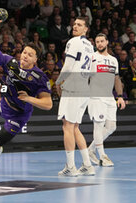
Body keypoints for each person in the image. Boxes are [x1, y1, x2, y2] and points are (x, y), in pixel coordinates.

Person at [0, 17, 52, 172]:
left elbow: (48, 104)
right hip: (4, 103)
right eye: (24, 52)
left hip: (19, 115)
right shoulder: (11, 63)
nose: (25, 56)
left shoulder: (39, 78)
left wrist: (29, 98)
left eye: (30, 55)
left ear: (36, 60)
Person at [55, 17, 95, 176]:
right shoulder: (90, 46)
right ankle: (87, 165)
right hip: (85, 88)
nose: (75, 26)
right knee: (75, 127)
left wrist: (58, 82)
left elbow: (69, 65)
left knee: (67, 127)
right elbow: (92, 71)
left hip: (73, 88)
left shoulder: (73, 41)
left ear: (86, 29)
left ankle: (70, 167)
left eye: (79, 25)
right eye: (74, 24)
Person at [88, 33, 126, 166]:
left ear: (107, 42)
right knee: (98, 125)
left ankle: (91, 149)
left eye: (101, 41)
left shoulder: (113, 60)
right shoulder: (92, 57)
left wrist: (120, 96)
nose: (99, 44)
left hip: (109, 97)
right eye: (97, 42)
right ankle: (102, 156)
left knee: (111, 127)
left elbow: (116, 79)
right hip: (95, 96)